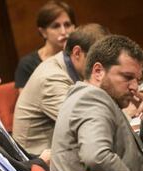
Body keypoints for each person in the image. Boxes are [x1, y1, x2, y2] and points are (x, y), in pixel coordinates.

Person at [51, 35, 143, 171]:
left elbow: (135, 152)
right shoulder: (92, 98)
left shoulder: (86, 95)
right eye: (127, 77)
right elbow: (96, 156)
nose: (135, 86)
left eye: (137, 79)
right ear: (98, 71)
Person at [12, 23, 109, 155]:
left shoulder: (71, 66)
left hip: (64, 149)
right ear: (77, 53)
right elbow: (84, 122)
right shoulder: (51, 78)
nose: (101, 67)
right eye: (96, 60)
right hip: (38, 159)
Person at [14, 0, 75, 90]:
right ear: (43, 32)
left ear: (74, 27)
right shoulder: (27, 64)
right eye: (56, 26)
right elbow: (26, 102)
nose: (63, 32)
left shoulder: (79, 56)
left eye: (67, 25)